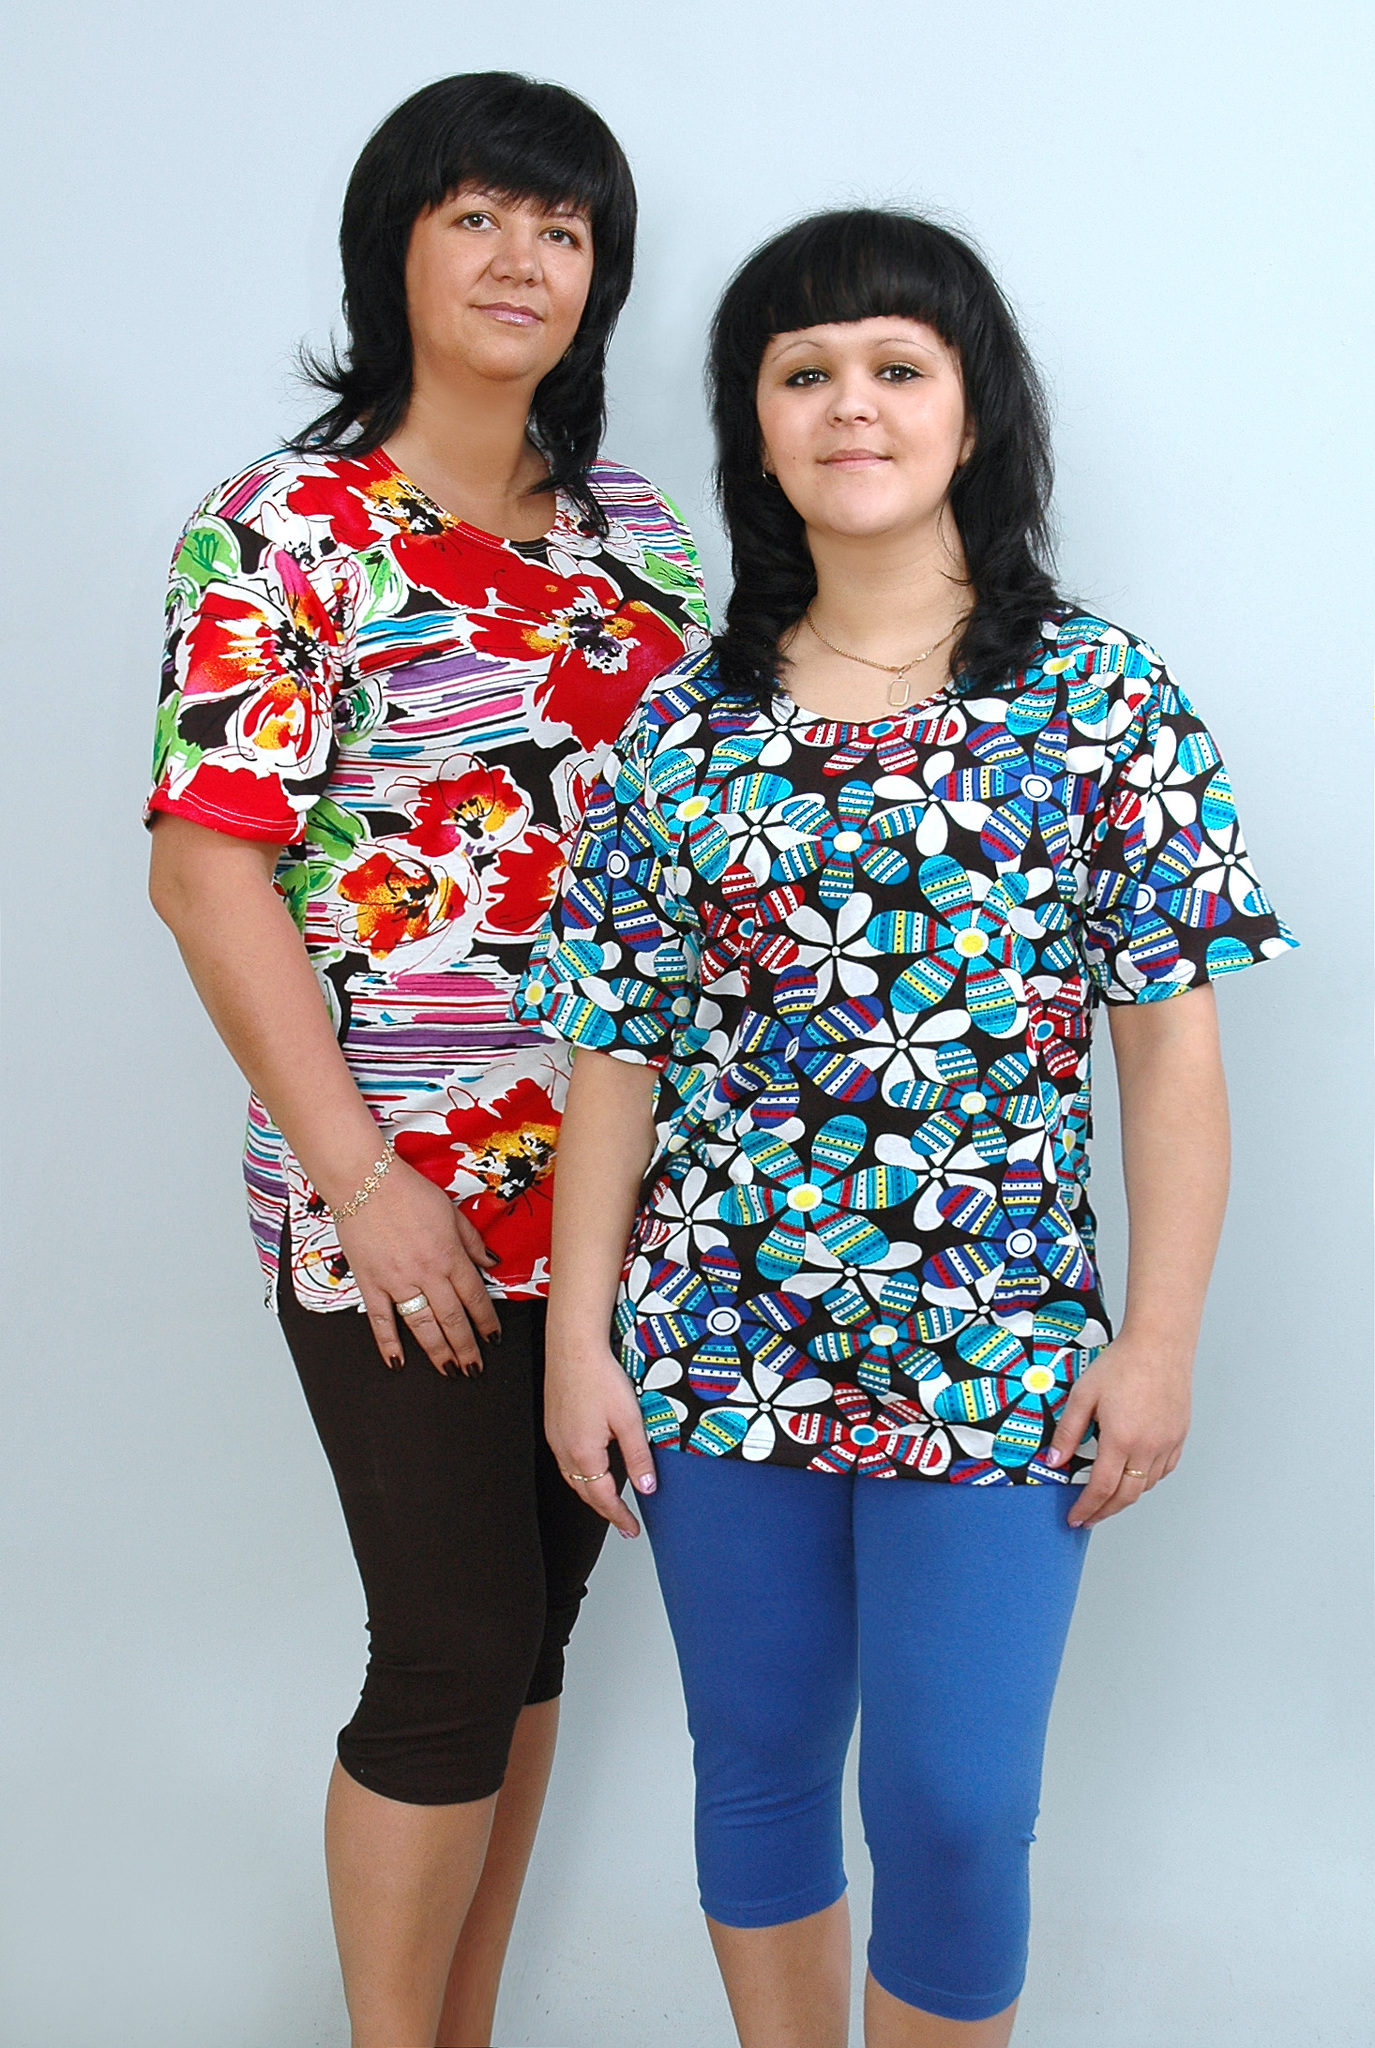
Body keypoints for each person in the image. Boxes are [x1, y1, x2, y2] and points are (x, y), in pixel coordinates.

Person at [521, 208, 1296, 2047]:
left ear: (973, 409)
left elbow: (1170, 1060)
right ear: (756, 426)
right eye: (804, 373)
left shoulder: (1104, 699)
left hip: (1000, 1345)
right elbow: (615, 1057)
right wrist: (578, 1339)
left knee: (953, 1806)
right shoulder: (678, 733)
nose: (849, 406)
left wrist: (1159, 1339)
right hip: (719, 1340)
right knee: (758, 1769)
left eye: (895, 366)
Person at [146, 73, 708, 2048]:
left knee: (528, 1638)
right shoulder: (283, 528)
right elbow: (206, 873)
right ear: (390, 248)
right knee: (451, 1647)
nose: (521, 259)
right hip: (396, 1192)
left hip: (617, 1188)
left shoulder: (642, 539)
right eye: (477, 215)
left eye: (563, 229)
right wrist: (366, 1182)